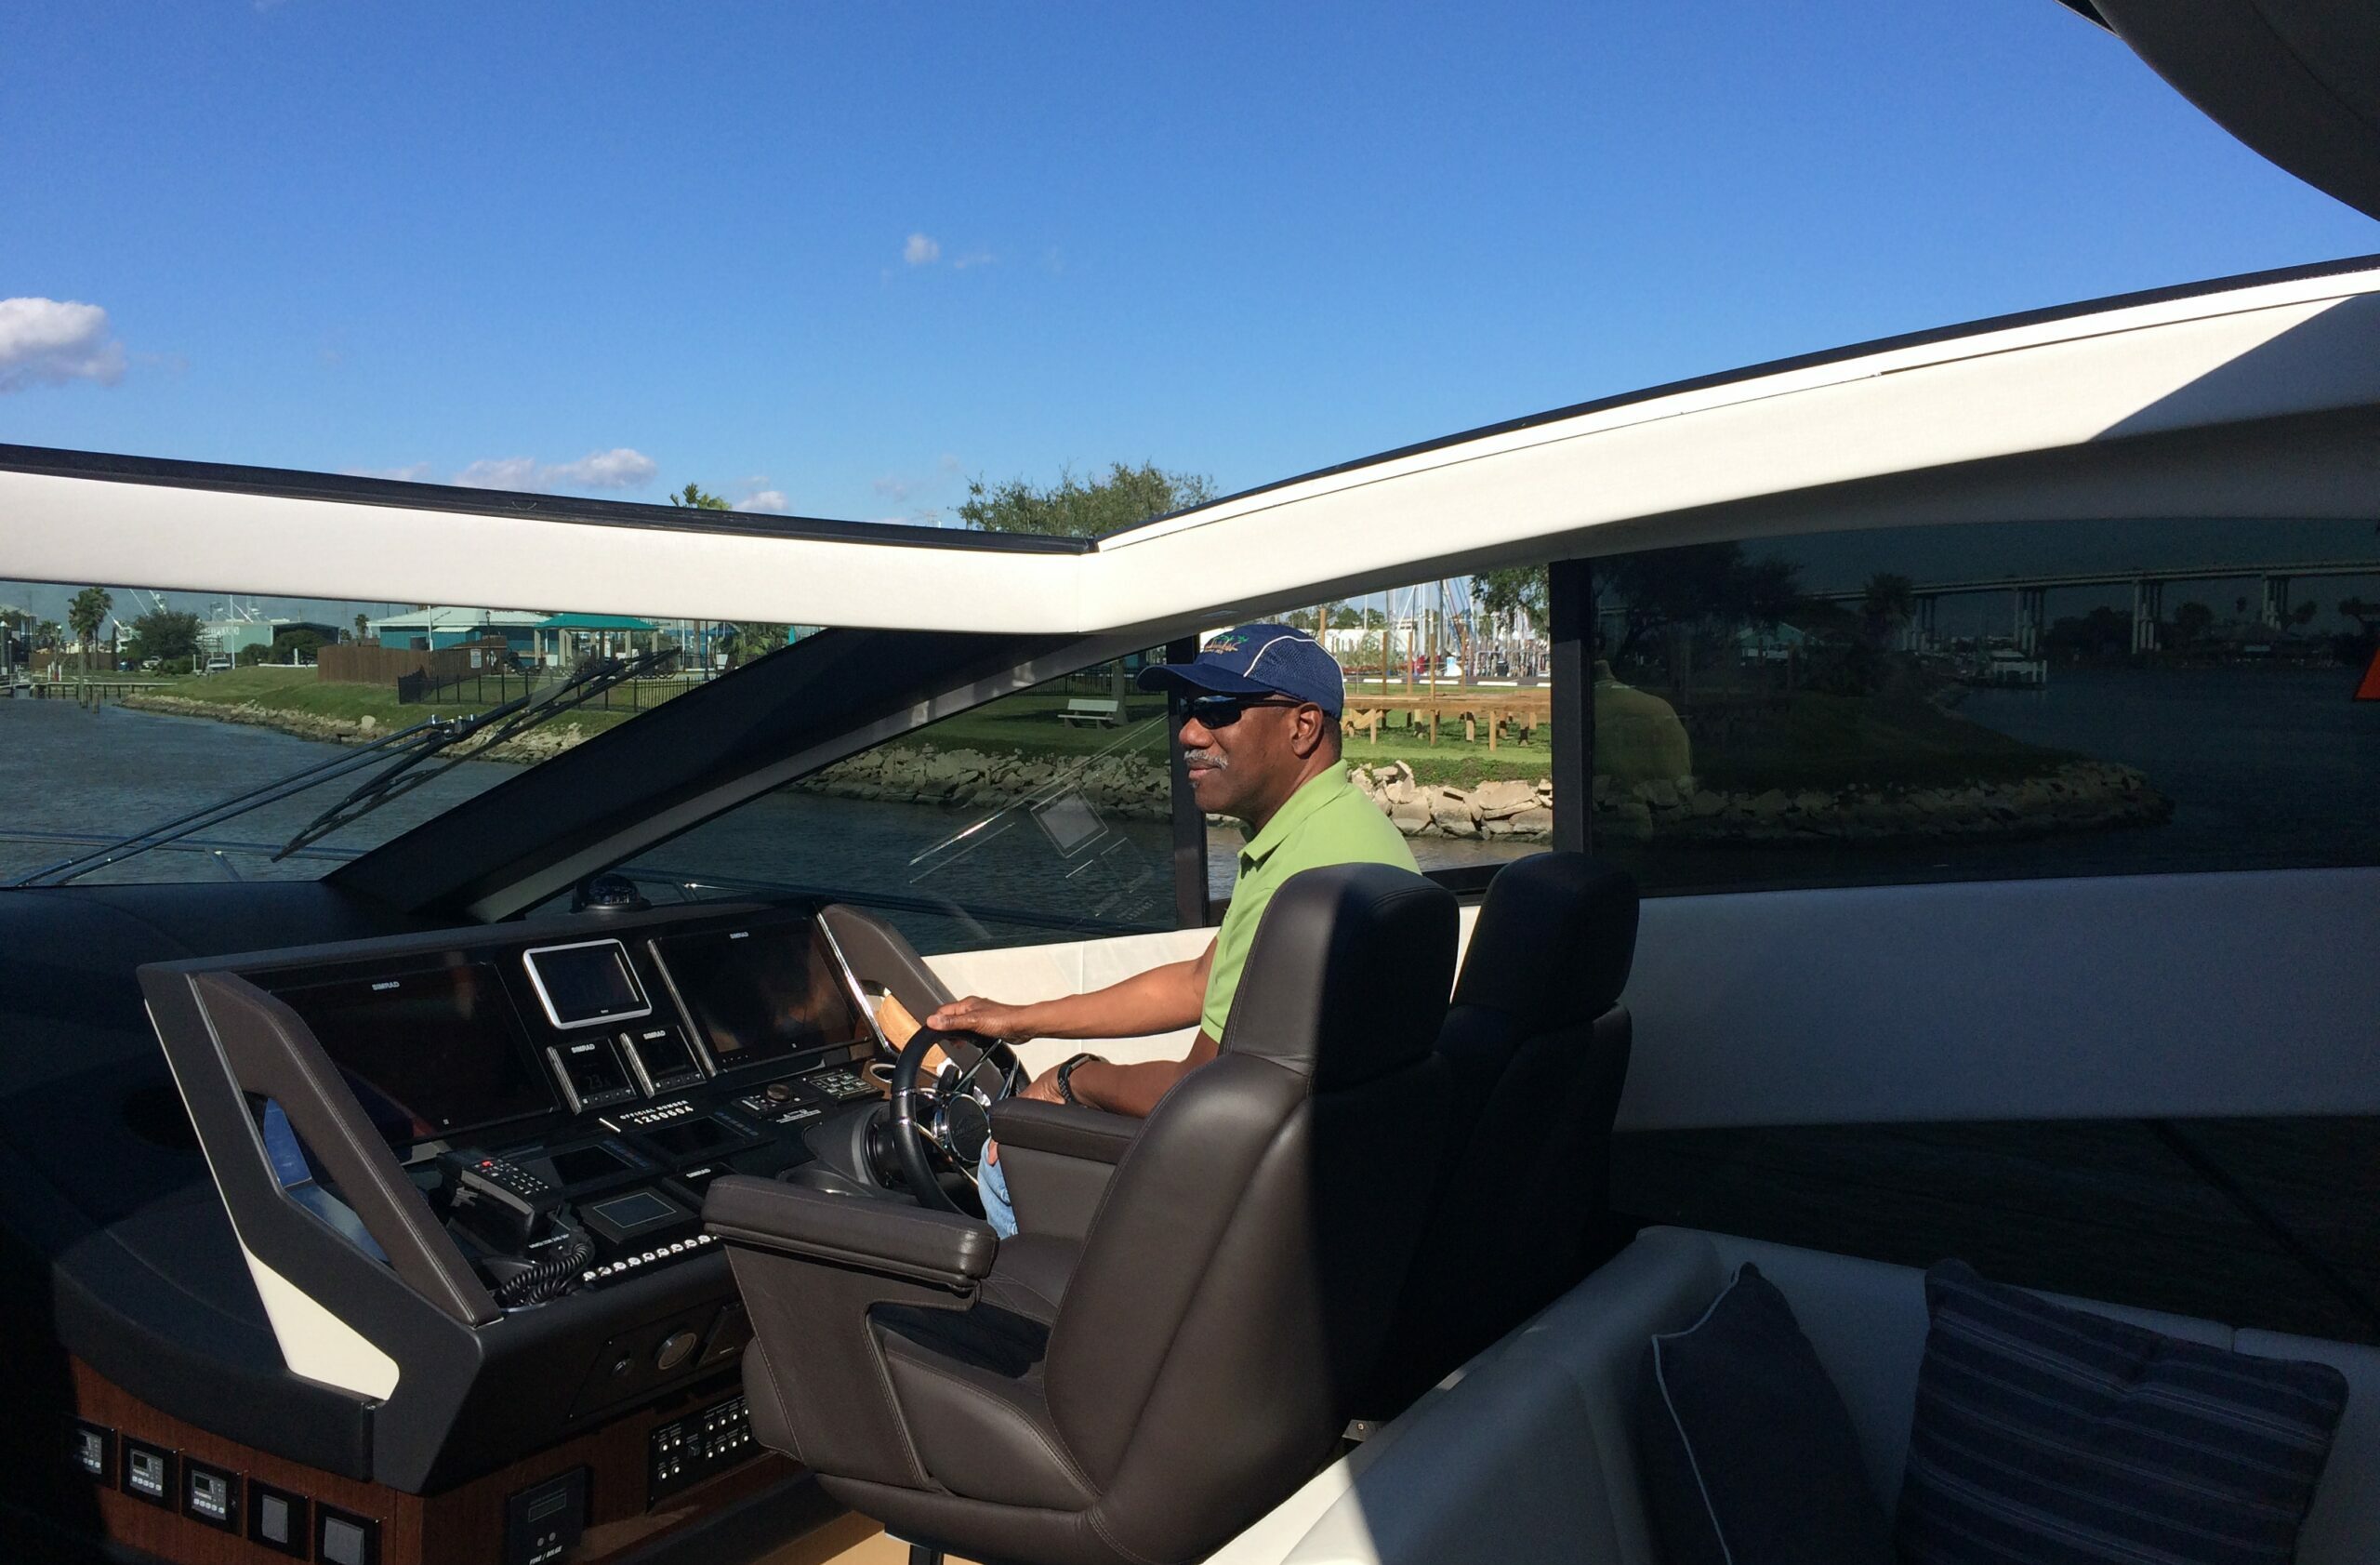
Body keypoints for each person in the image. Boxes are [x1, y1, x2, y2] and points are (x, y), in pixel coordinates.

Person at [926, 622, 1419, 1234]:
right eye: (1190, 709)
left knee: (1006, 1165)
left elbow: (1199, 1090)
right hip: (1331, 1182)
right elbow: (1196, 982)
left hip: (1255, 1204)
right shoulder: (1339, 833)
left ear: (1304, 725)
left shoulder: (1302, 881)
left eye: (1217, 710)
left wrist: (1070, 1079)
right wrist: (1023, 1019)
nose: (1189, 731)